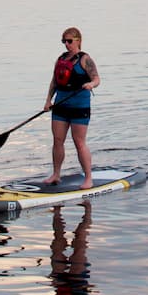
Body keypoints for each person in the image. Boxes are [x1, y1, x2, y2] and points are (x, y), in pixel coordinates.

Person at [44, 26, 100, 188]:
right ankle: (56, 175)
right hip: (61, 105)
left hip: (79, 106)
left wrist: (91, 84)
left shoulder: (85, 59)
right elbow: (54, 82)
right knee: (58, 140)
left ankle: (88, 178)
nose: (66, 44)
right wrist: (48, 101)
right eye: (64, 41)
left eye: (69, 41)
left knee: (79, 142)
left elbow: (97, 79)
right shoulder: (61, 59)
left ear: (78, 41)